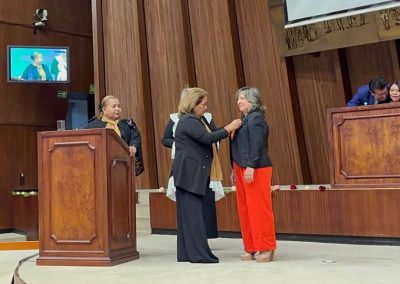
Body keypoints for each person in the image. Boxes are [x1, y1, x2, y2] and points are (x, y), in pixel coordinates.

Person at [172, 87, 241, 263]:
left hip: (190, 175)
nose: (205, 107)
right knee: (193, 217)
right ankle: (199, 255)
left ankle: (187, 253)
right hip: (189, 175)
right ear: (192, 104)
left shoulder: (195, 119)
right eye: (203, 104)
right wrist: (229, 127)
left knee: (189, 217)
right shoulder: (189, 120)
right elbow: (207, 138)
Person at [162, 89, 224, 239]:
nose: (205, 107)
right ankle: (195, 238)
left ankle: (207, 234)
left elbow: (212, 135)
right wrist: (182, 142)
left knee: (206, 201)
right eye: (203, 103)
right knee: (191, 202)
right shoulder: (179, 119)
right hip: (189, 164)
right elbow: (166, 139)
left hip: (206, 163)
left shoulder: (206, 117)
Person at [230, 87, 276, 263]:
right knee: (245, 209)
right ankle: (250, 246)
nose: (239, 101)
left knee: (260, 208)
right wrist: (234, 169)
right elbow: (238, 146)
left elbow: (257, 144)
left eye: (243, 98)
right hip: (241, 167)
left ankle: (266, 246)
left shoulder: (256, 118)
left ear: (253, 100)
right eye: (238, 99)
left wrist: (250, 165)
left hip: (255, 168)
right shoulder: (244, 119)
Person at [85, 95, 144, 176]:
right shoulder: (94, 126)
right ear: (104, 109)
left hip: (123, 164)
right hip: (101, 166)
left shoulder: (127, 124)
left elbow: (135, 137)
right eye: (113, 106)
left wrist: (134, 147)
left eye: (119, 106)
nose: (117, 109)